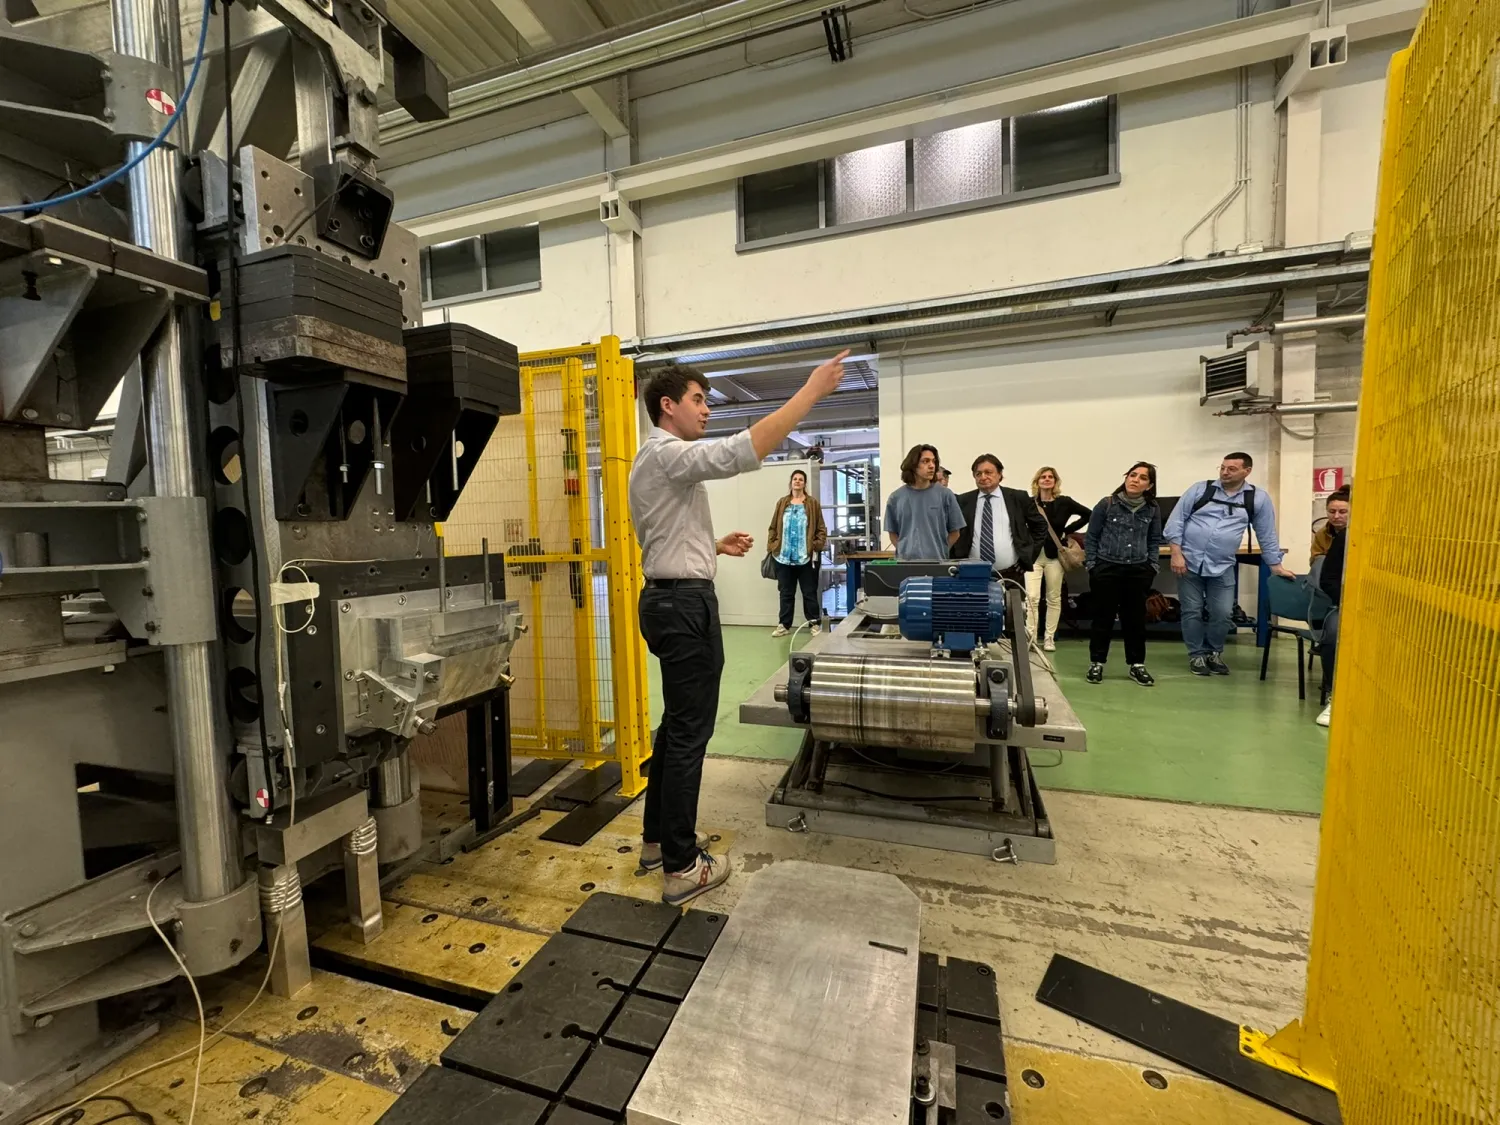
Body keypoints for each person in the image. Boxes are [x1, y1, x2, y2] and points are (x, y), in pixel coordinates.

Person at [629, 349, 849, 905]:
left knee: (675, 727)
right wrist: (810, 391)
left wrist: (711, 545)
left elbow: (660, 536)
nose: (706, 409)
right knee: (689, 734)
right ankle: (682, 867)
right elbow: (740, 451)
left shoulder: (649, 460)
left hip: (666, 599)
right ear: (667, 405)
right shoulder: (668, 453)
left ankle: (658, 842)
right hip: (684, 607)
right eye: (698, 399)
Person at [1164, 452, 1293, 677]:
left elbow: (1266, 533)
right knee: (1192, 611)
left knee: (1223, 613)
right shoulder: (1200, 489)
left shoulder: (1257, 498)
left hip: (1222, 565)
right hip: (1189, 562)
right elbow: (1176, 521)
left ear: (1247, 471)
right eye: (1222, 467)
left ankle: (1214, 652)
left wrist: (1276, 565)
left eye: (1231, 469)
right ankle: (1196, 655)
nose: (1225, 472)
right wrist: (1176, 553)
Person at [1083, 462, 1167, 686]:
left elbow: (1154, 539)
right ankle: (1096, 663)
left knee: (1135, 621)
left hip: (1138, 570)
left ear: (1149, 485)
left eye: (1142, 478)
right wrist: (1092, 565)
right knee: (1103, 618)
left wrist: (1152, 566)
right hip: (1107, 568)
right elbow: (1091, 537)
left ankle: (1137, 664)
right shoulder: (1107, 504)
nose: (1135, 480)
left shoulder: (1152, 508)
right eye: (1132, 475)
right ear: (1126, 477)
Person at [951, 455, 1047, 583]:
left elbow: (1040, 527)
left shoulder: (1018, 498)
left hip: (1011, 573)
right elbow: (952, 529)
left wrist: (1028, 557)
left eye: (988, 472)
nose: (983, 477)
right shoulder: (963, 501)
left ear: (1000, 474)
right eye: (978, 474)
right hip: (971, 573)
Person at [1027, 466, 1091, 651]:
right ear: (1037, 481)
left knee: (1054, 598)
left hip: (1055, 555)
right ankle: (1031, 636)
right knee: (1032, 597)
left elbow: (1089, 514)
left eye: (1050, 477)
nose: (1047, 479)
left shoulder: (1064, 502)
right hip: (1033, 555)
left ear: (1055, 481)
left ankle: (1049, 637)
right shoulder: (1030, 503)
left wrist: (1068, 530)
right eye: (1043, 477)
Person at [766, 468, 828, 638]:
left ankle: (814, 624)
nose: (798, 481)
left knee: (809, 592)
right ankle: (784, 625)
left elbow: (821, 528)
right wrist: (772, 545)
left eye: (801, 479)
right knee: (786, 593)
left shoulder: (812, 503)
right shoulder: (782, 503)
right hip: (783, 557)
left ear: (804, 483)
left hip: (806, 557)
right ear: (791, 482)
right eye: (795, 479)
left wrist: (816, 545)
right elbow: (773, 527)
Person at [1311, 486, 1350, 726]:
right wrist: (1344, 601)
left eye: (1343, 512)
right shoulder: (1334, 537)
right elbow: (1326, 577)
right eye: (1332, 511)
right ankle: (1334, 695)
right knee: (1332, 635)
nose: (1337, 516)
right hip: (1339, 601)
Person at [885, 444, 965, 560]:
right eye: (925, 461)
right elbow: (892, 533)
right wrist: (903, 551)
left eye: (933, 461)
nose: (932, 466)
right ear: (913, 465)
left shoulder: (945, 495)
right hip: (905, 565)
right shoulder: (896, 498)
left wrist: (941, 550)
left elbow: (955, 532)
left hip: (937, 564)